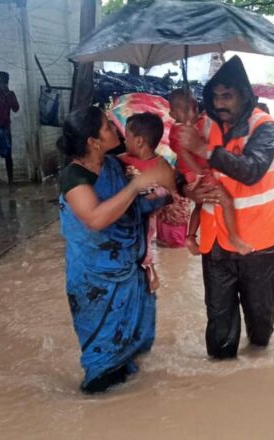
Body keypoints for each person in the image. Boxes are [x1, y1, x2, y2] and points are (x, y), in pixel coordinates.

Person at [176, 56, 274, 359]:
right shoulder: (204, 124)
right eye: (215, 96)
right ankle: (221, 382)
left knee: (260, 324)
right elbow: (182, 168)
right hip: (214, 242)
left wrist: (205, 150)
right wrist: (188, 188)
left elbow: (250, 171)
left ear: (244, 95)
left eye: (227, 96)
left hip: (257, 242)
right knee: (219, 325)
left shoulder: (266, 129)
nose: (220, 103)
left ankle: (256, 373)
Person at [57, 107, 172, 393]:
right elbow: (96, 218)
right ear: (92, 142)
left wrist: (162, 195)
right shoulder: (74, 177)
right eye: (108, 127)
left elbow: (129, 210)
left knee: (127, 363)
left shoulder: (113, 166)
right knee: (101, 364)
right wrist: (135, 187)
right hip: (94, 281)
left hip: (129, 273)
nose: (115, 129)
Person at [168, 89, 252, 256]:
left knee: (200, 204)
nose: (192, 114)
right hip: (197, 173)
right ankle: (233, 237)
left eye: (195, 108)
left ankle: (191, 237)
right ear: (172, 113)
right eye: (186, 110)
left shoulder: (188, 127)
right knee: (226, 201)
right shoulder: (180, 132)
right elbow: (184, 154)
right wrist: (200, 173)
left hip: (193, 174)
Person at [117, 112, 176, 292]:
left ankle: (149, 274)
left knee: (143, 248)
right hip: (124, 216)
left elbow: (173, 195)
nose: (124, 140)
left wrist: (155, 196)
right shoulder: (119, 161)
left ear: (139, 141)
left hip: (146, 219)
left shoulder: (162, 166)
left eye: (127, 136)